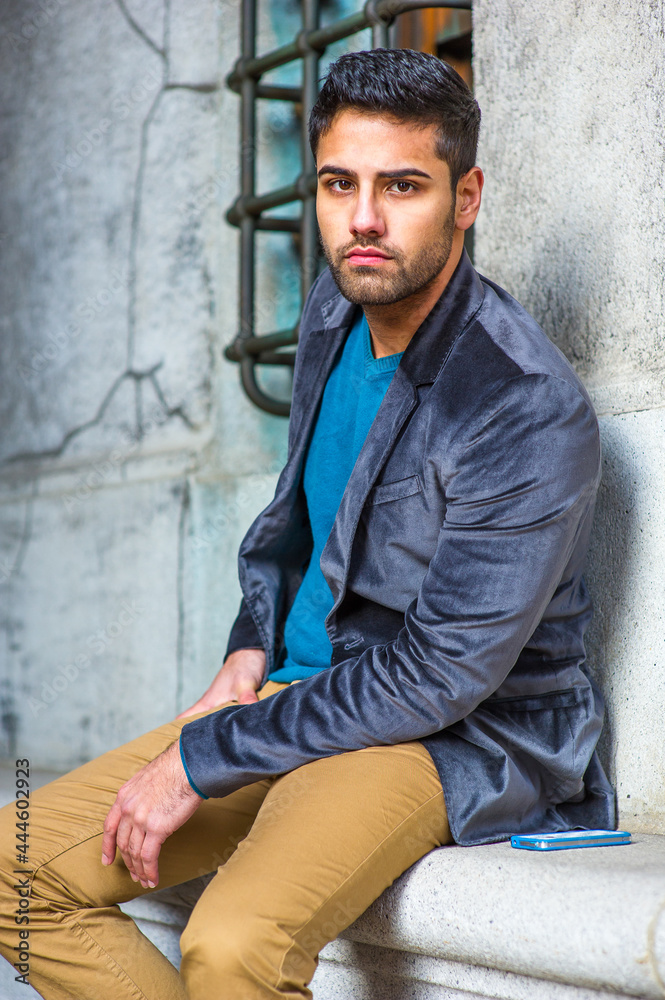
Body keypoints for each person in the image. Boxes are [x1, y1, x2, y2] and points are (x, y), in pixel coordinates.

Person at [0, 47, 614, 1000]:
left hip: (445, 736)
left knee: (233, 944)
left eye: (402, 185)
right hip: (297, 694)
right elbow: (294, 514)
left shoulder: (517, 406)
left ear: (466, 196)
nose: (362, 220)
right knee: (13, 865)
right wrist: (250, 644)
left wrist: (203, 757)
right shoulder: (338, 304)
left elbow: (437, 675)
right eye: (339, 184)